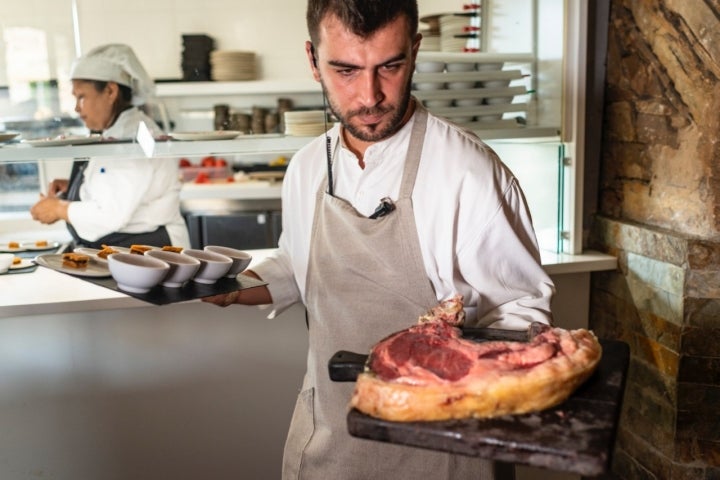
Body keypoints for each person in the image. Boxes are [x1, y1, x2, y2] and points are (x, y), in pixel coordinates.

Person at [204, 1, 555, 478]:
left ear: (414, 51)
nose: (369, 96)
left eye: (389, 66)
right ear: (312, 60)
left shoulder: (468, 170)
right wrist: (230, 287)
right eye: (345, 70)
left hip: (443, 450)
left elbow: (520, 317)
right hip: (333, 438)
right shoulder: (307, 166)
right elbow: (298, 265)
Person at [30, 44, 190, 249]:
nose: (77, 108)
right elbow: (122, 185)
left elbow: (111, 213)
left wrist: (59, 208)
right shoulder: (119, 129)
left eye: (82, 96)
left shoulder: (131, 137)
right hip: (127, 246)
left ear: (110, 91)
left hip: (152, 248)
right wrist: (77, 187)